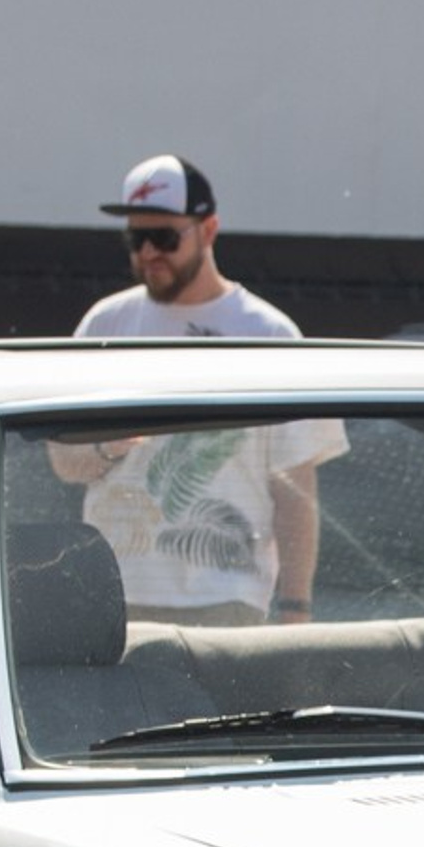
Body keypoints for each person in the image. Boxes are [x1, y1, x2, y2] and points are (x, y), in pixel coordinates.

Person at [60, 154, 344, 621]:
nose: (148, 252)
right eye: (136, 238)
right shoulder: (104, 324)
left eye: (164, 237)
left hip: (225, 597)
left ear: (209, 230)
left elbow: (295, 487)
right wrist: (109, 448)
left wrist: (295, 606)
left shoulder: (269, 335)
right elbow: (62, 461)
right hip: (112, 593)